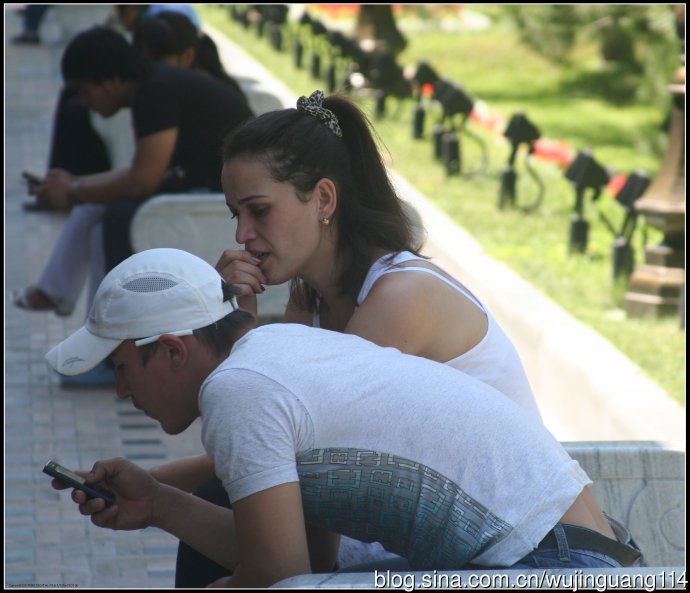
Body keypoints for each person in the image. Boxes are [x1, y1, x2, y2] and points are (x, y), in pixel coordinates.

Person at [45, 248, 642, 588]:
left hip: (558, 567)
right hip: (588, 550)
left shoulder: (239, 391)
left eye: (122, 368)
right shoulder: (283, 351)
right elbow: (306, 562)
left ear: (173, 349)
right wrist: (157, 502)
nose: (121, 392)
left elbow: (278, 579)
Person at [158, 89, 544, 584]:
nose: (242, 236)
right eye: (237, 214)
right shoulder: (311, 302)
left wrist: (234, 334)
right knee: (229, 503)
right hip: (434, 542)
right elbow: (265, 443)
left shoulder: (399, 297)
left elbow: (273, 441)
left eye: (259, 210)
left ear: (323, 199)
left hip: (512, 557)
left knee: (237, 511)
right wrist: (148, 490)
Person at [12, 26, 253, 384]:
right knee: (103, 206)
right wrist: (73, 187)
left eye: (86, 90)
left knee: (119, 216)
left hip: (219, 198)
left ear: (109, 81)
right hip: (203, 186)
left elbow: (142, 179)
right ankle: (70, 306)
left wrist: (76, 190)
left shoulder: (154, 93)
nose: (85, 101)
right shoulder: (153, 84)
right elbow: (141, 173)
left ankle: (112, 354)